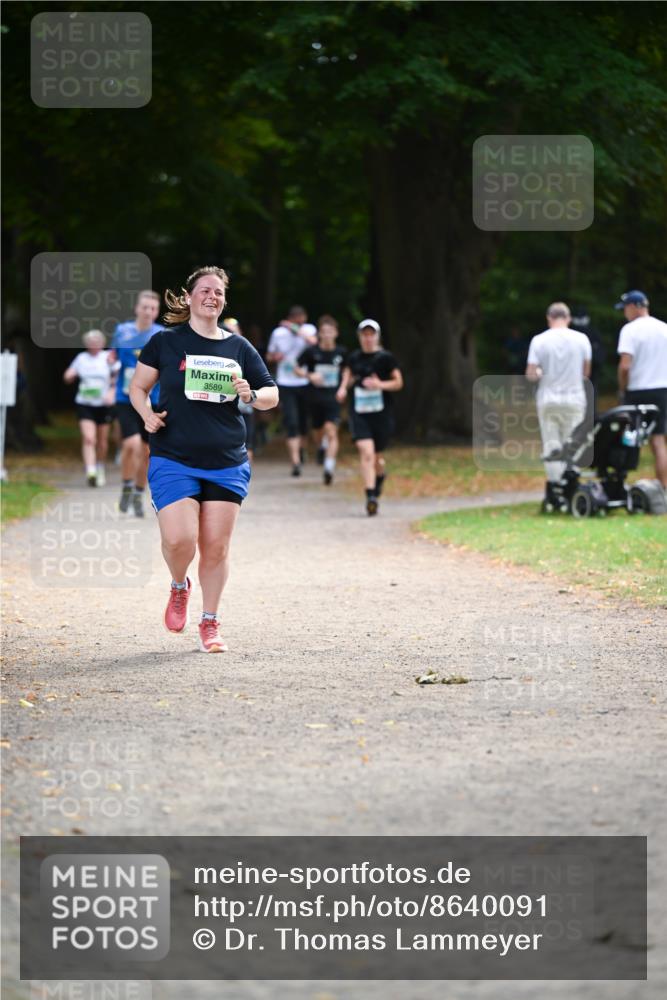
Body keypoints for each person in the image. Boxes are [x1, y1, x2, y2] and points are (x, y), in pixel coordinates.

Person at [129, 266, 278, 653]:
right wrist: (146, 414)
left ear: (224, 300)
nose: (212, 296)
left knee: (215, 547)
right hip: (173, 455)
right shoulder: (165, 342)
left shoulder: (239, 347)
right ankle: (179, 585)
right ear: (190, 297)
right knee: (180, 540)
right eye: (205, 290)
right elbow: (138, 388)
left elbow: (271, 394)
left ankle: (210, 622)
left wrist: (251, 395)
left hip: (226, 458)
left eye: (219, 292)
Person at [525, 302, 592, 508]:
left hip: (548, 399)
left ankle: (555, 488)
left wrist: (540, 374)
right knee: (573, 443)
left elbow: (531, 374)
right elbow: (586, 373)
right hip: (574, 398)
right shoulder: (582, 339)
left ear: (549, 318)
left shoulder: (539, 340)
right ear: (568, 318)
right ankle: (571, 485)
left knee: (551, 444)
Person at [337, 319, 403, 515]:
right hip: (359, 412)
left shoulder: (386, 358)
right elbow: (347, 374)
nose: (368, 338)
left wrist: (379, 385)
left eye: (371, 334)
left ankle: (379, 476)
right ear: (360, 337)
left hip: (381, 413)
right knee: (366, 452)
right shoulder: (354, 357)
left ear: (377, 336)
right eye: (364, 334)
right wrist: (342, 388)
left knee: (377, 457)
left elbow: (399, 383)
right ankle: (371, 496)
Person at [110, 290, 163, 517]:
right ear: (137, 309)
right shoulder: (122, 331)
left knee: (147, 451)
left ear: (157, 311)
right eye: (145, 307)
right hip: (126, 397)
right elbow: (112, 358)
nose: (148, 311)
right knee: (131, 445)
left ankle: (139, 493)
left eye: (153, 308)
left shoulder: (162, 334)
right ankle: (126, 485)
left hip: (154, 400)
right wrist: (110, 379)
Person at [615, 289, 667, 487]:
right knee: (658, 440)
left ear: (634, 307)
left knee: (628, 438)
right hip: (662, 389)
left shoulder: (630, 330)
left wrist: (622, 389)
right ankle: (664, 489)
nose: (624, 314)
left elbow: (625, 365)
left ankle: (620, 483)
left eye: (625, 309)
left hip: (637, 390)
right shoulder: (664, 328)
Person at [266, 305, 317, 476]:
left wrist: (294, 329)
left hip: (304, 381)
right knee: (292, 421)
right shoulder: (278, 333)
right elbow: (269, 355)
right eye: (296, 320)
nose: (300, 323)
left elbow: (313, 342)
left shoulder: (309, 330)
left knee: (304, 422)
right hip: (285, 382)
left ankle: (302, 450)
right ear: (291, 317)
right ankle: (295, 462)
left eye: (302, 320)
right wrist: (275, 357)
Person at [63, 329, 118, 487]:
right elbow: (69, 374)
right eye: (90, 342)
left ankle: (100, 466)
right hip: (85, 403)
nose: (93, 345)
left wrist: (111, 392)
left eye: (96, 342)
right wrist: (69, 375)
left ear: (102, 343)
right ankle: (91, 470)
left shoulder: (108, 357)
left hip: (104, 405)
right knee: (89, 438)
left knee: (101, 442)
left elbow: (116, 376)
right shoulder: (81, 358)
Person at [296, 315, 346, 485]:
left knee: (331, 431)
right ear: (319, 334)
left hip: (333, 398)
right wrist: (310, 375)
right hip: (314, 398)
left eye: (330, 332)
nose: (327, 335)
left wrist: (343, 387)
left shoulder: (341, 353)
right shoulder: (311, 352)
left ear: (336, 333)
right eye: (324, 332)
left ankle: (329, 467)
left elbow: (348, 372)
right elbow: (296, 369)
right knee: (317, 432)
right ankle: (321, 447)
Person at [223, 317, 256, 462]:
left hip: (244, 408)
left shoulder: (246, 351)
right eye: (228, 329)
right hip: (223, 409)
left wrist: (251, 394)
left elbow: (260, 381)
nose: (232, 333)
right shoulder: (215, 351)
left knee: (247, 447)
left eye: (234, 329)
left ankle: (243, 480)